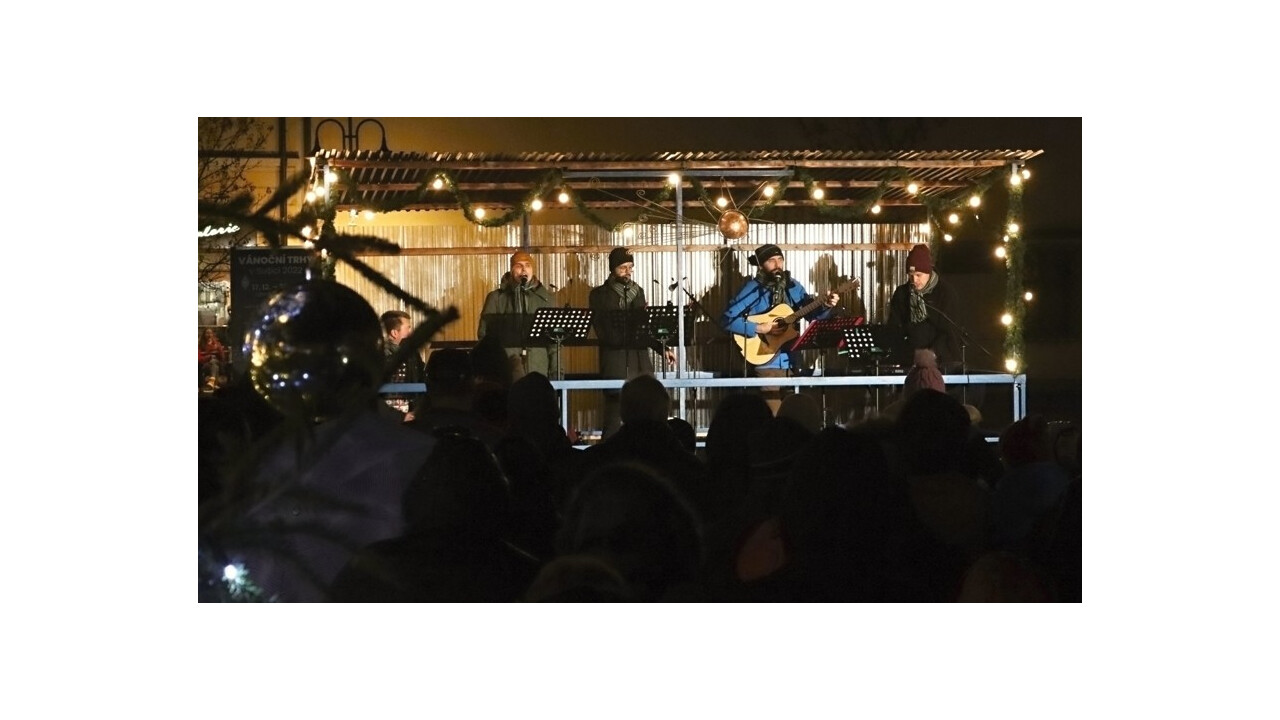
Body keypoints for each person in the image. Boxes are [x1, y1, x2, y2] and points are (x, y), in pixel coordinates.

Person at [720, 243, 839, 414]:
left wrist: (826, 306)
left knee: (795, 414)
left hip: (792, 360)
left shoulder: (793, 287)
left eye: (780, 259)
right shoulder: (752, 288)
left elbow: (812, 315)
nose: (777, 264)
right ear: (761, 265)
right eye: (771, 261)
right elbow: (726, 320)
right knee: (774, 414)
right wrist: (759, 328)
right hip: (766, 360)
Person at [588, 246, 676, 438]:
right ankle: (610, 450)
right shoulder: (599, 294)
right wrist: (625, 331)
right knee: (614, 414)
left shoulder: (638, 291)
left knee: (648, 410)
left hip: (640, 360)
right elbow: (603, 329)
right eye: (622, 267)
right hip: (616, 360)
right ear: (612, 269)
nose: (627, 272)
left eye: (630, 267)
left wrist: (662, 348)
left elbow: (645, 327)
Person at [477, 250, 558, 379]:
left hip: (538, 370)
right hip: (506, 371)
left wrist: (557, 375)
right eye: (519, 265)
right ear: (511, 270)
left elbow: (555, 343)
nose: (524, 269)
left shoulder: (546, 299)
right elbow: (485, 336)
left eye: (528, 265)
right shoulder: (496, 298)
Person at [888, 243, 963, 372]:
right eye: (910, 275)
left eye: (918, 275)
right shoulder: (902, 294)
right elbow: (895, 327)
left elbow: (950, 331)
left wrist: (931, 353)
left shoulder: (945, 293)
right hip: (910, 362)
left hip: (942, 362)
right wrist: (910, 353)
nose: (914, 280)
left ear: (928, 272)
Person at [380, 310, 426, 422]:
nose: (411, 332)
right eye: (408, 328)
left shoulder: (412, 353)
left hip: (411, 414)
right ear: (394, 333)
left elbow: (420, 379)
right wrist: (398, 416)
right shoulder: (379, 357)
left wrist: (417, 410)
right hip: (388, 419)